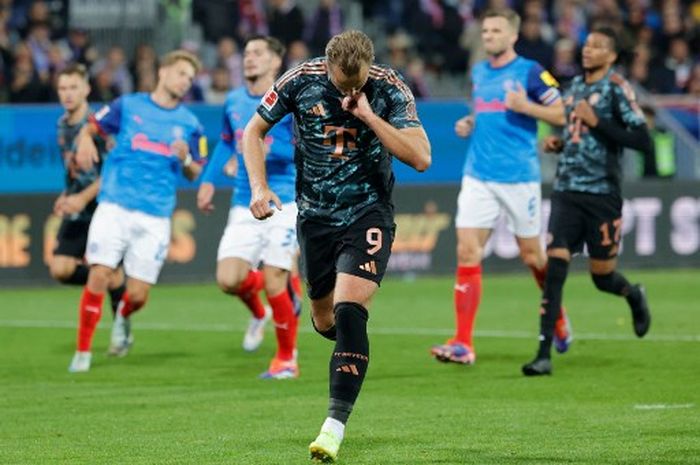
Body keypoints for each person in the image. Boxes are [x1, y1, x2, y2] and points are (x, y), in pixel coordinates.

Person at [242, 30, 431, 463]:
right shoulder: (299, 80)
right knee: (325, 319)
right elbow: (253, 132)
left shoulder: (387, 88)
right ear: (327, 66)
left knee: (350, 311)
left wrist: (368, 116)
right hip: (315, 218)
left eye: (357, 83)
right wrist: (259, 187)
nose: (351, 91)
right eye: (343, 84)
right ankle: (351, 345)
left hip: (368, 211)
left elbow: (421, 158)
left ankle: (333, 427)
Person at [430, 8, 571, 366]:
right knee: (466, 252)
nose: (488, 35)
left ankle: (556, 315)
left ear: (513, 36)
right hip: (478, 175)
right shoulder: (478, 72)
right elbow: (483, 112)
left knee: (532, 256)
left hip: (518, 178)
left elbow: (563, 113)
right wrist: (469, 123)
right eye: (486, 30)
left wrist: (527, 106)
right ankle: (463, 342)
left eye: (495, 31)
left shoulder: (531, 72)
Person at [522, 27, 652, 377]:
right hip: (567, 191)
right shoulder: (574, 88)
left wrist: (599, 122)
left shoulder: (616, 89)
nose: (588, 50)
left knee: (602, 277)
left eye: (597, 46)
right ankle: (543, 354)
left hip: (603, 195)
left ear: (611, 55)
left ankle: (633, 294)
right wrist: (559, 144)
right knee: (555, 268)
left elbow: (642, 139)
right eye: (587, 44)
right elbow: (576, 136)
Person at [68, 50, 207, 373]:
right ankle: (83, 352)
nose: (185, 80)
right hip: (115, 204)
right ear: (163, 71)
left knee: (138, 294)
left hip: (155, 215)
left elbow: (195, 171)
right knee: (99, 272)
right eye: (182, 72)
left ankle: (123, 316)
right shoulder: (127, 105)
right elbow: (91, 127)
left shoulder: (190, 124)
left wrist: (186, 159)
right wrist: (87, 141)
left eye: (190, 77)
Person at [197, 36, 302, 379]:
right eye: (246, 54)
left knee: (274, 280)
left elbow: (307, 151)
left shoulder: (291, 100)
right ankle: (265, 309)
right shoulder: (234, 101)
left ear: (275, 62)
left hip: (283, 199)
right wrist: (209, 181)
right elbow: (225, 144)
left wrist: (278, 153)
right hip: (244, 201)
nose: (249, 59)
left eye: (258, 53)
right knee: (229, 280)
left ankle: (286, 359)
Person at [50, 63, 125, 313]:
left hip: (103, 205)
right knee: (60, 268)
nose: (67, 93)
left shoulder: (98, 127)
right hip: (79, 205)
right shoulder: (62, 124)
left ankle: (120, 326)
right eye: (62, 88)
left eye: (73, 87)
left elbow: (113, 172)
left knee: (105, 269)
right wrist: (66, 194)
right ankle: (110, 278)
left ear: (86, 89)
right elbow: (73, 169)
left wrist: (82, 198)